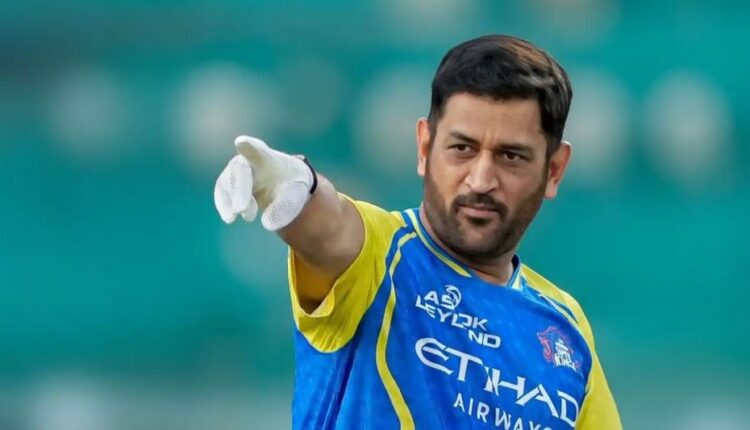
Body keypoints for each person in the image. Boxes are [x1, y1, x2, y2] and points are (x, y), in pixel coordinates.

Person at [214, 34, 621, 430]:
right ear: (425, 147)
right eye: (462, 149)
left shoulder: (565, 328)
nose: (481, 180)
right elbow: (329, 228)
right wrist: (293, 184)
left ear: (554, 171)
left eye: (510, 156)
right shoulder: (381, 255)